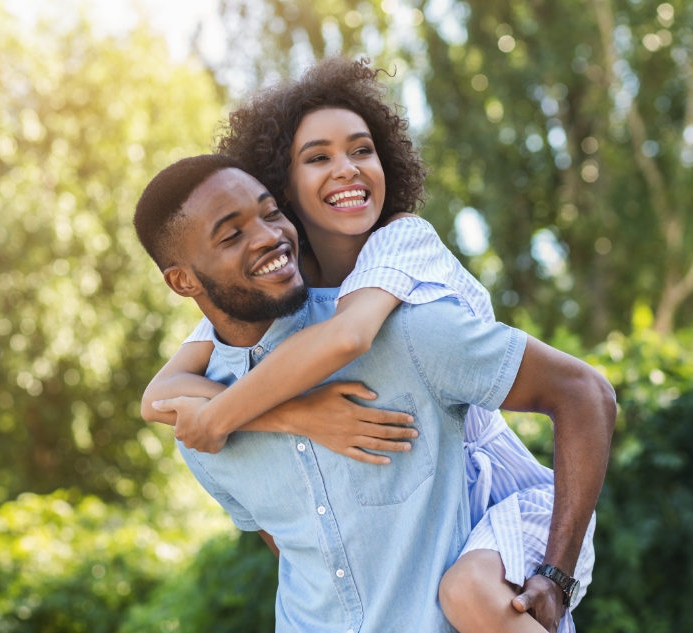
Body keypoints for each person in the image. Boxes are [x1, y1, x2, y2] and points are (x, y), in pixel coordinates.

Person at [143, 59, 609, 632]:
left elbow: (348, 336)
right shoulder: (271, 298)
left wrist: (220, 419)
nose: (346, 170)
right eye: (318, 157)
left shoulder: (400, 256)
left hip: (492, 480)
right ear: (286, 185)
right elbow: (164, 394)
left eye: (362, 150)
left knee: (470, 594)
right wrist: (293, 416)